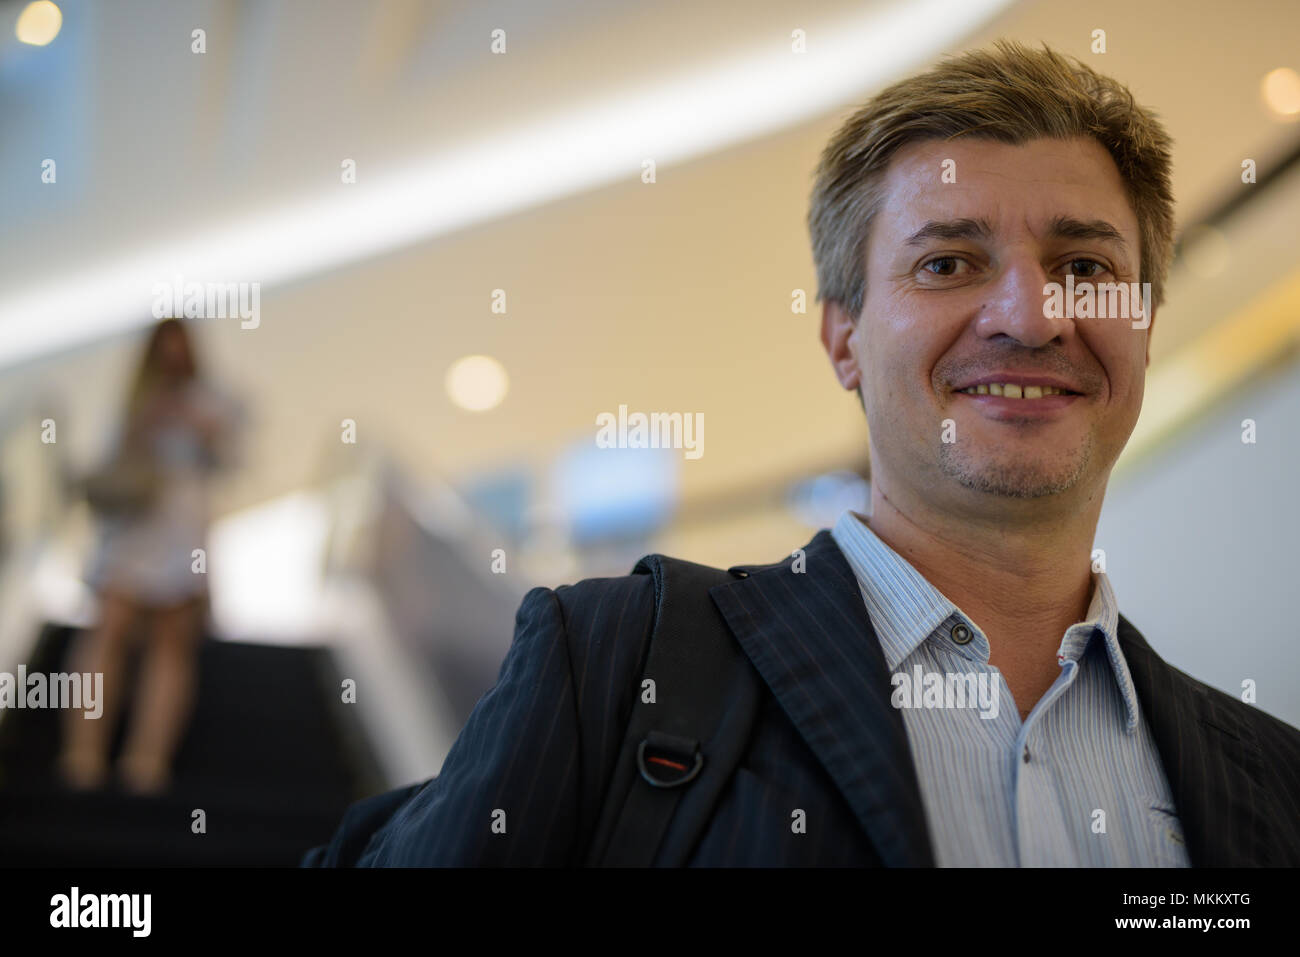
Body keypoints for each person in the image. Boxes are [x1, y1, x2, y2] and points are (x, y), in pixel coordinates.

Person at [307, 40, 1300, 866]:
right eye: (948, 263)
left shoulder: (1269, 781)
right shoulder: (620, 663)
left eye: (1083, 266)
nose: (1028, 316)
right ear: (841, 339)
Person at [59, 318, 241, 795]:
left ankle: (147, 759)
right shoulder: (133, 402)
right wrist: (145, 424)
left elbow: (231, 462)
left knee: (170, 640)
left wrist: (203, 430)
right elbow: (110, 464)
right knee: (109, 628)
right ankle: (83, 751)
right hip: (132, 533)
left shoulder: (211, 403)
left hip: (183, 536)